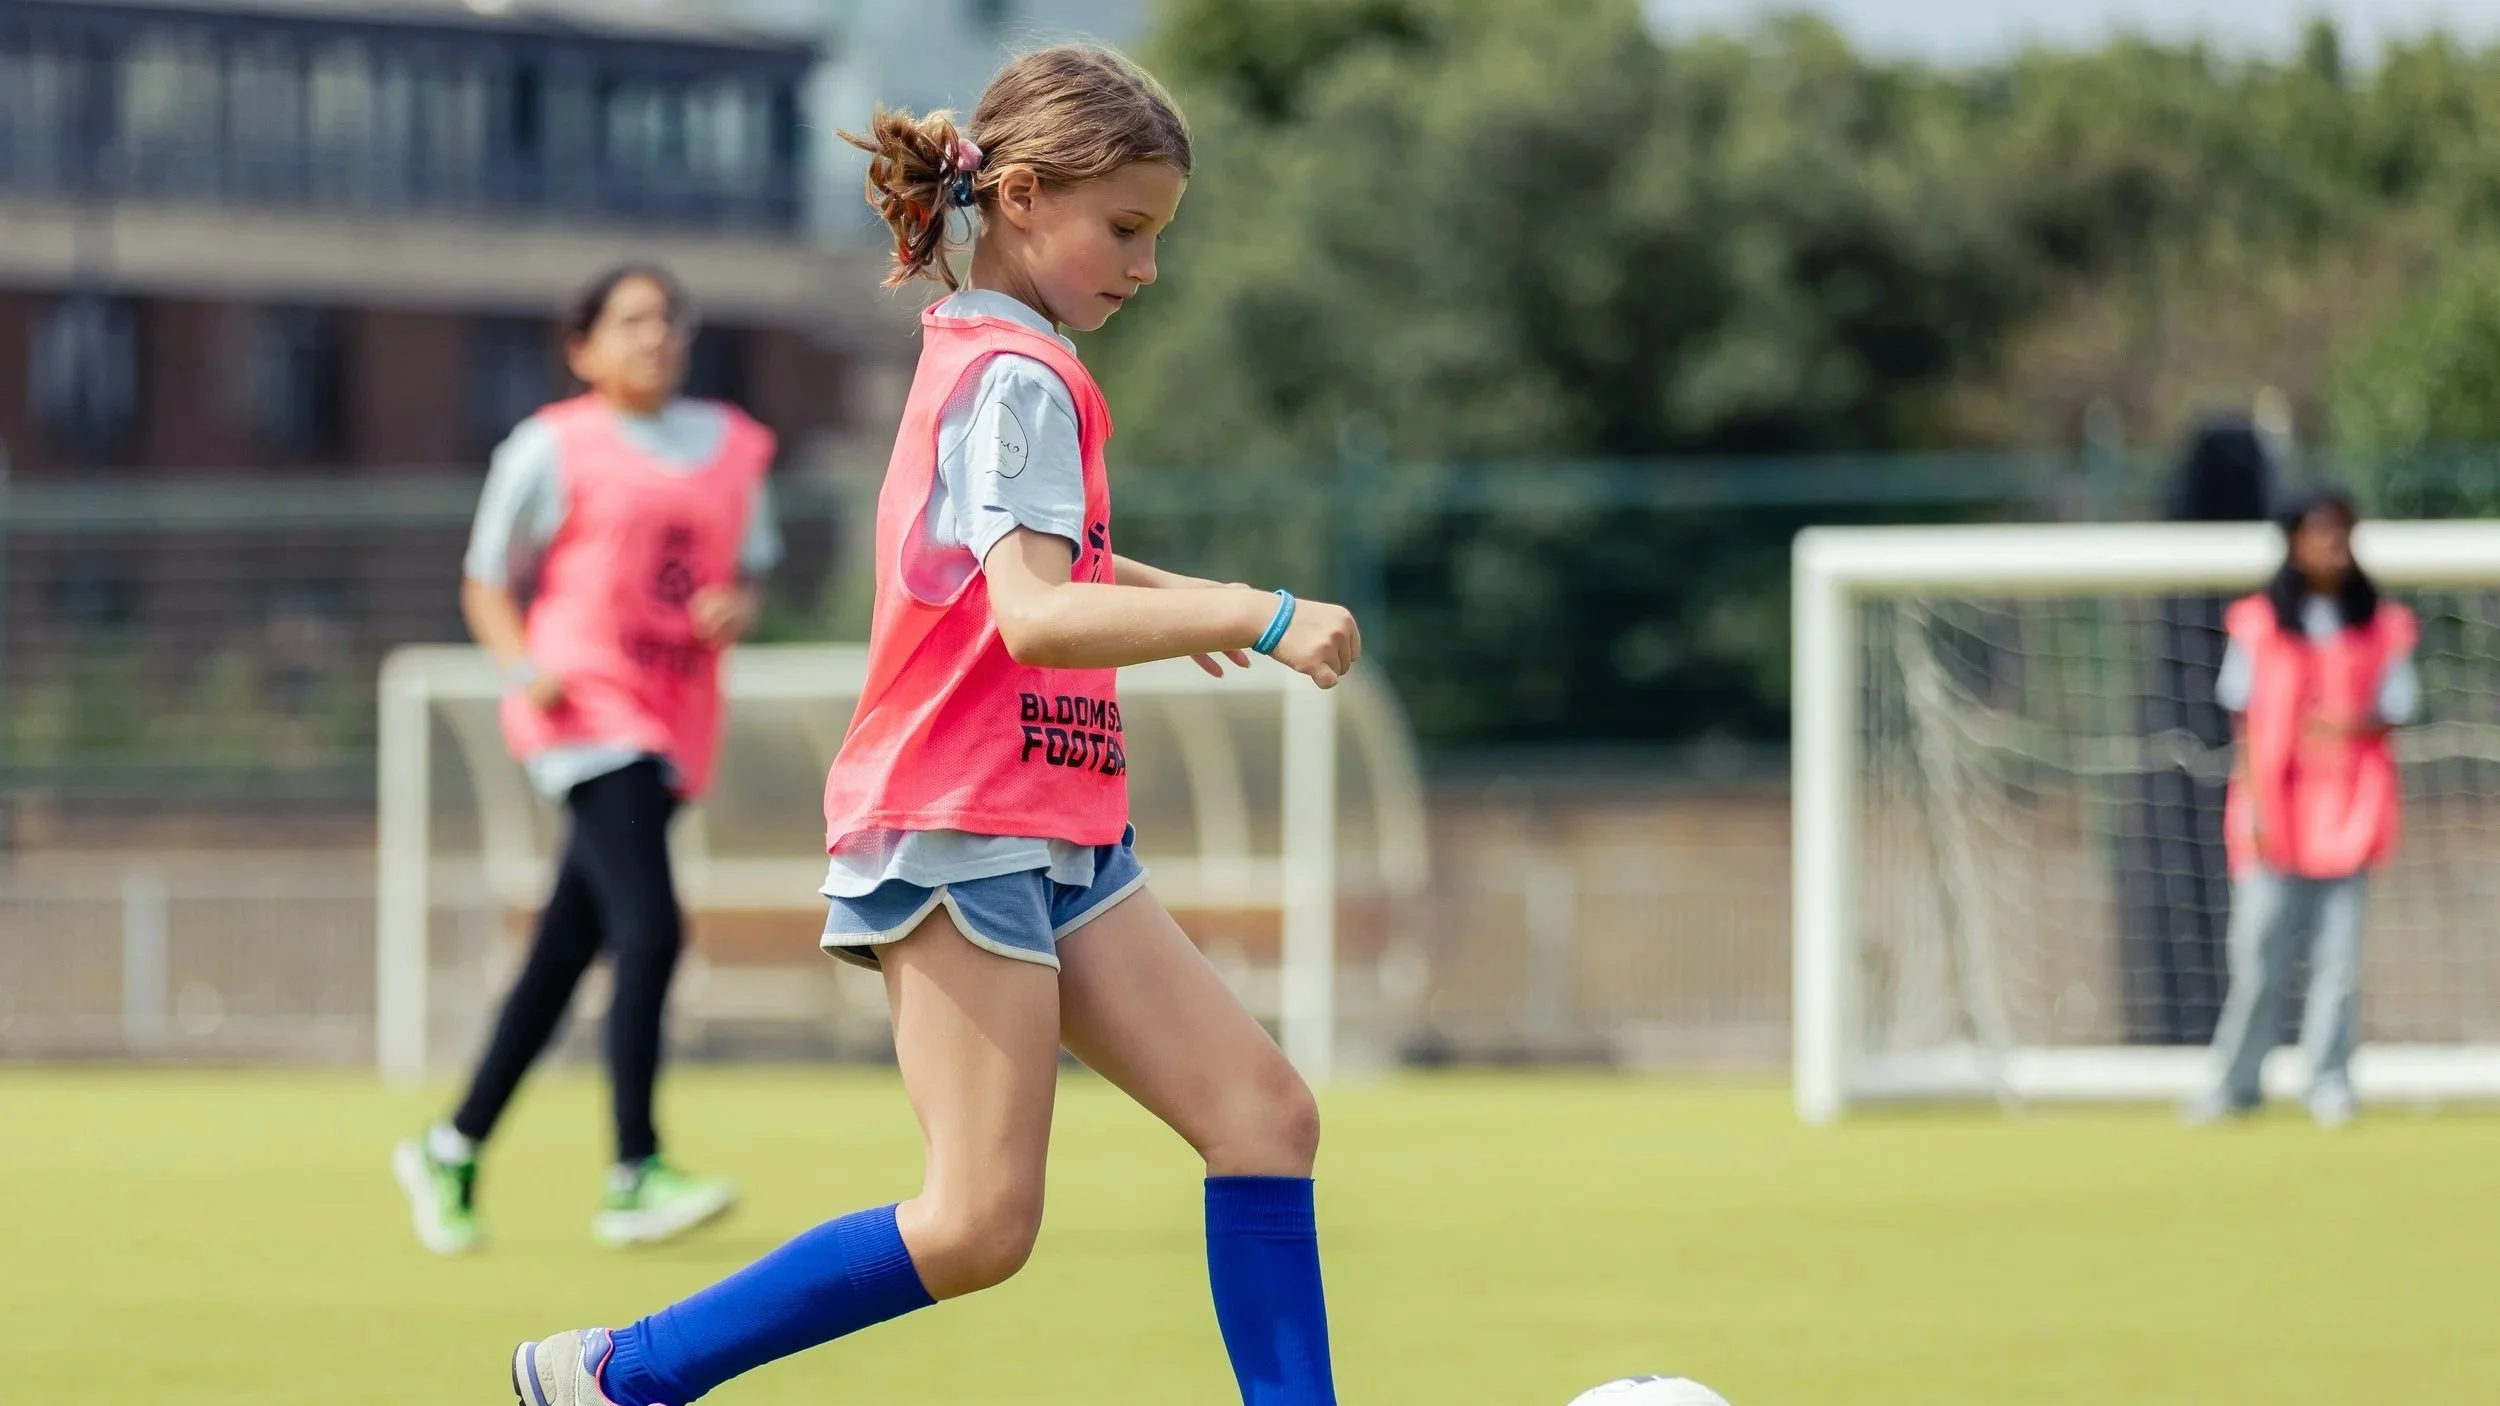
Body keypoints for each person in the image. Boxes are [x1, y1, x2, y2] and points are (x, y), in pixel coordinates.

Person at [506, 44, 1362, 1406]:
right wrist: (1255, 614)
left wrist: (1180, 604)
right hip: (960, 825)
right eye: (1125, 228)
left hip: (1055, 821)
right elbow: (1032, 611)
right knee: (975, 1223)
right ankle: (624, 1372)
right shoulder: (1015, 372)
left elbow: (1028, 563)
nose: (1146, 265)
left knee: (1263, 1116)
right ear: (1021, 197)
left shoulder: (999, 352)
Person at [393, 264, 780, 1253]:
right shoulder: (550, 445)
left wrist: (736, 607)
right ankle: (633, 1170)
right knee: (651, 928)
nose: (657, 336)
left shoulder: (734, 444)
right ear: (583, 347)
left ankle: (451, 1143)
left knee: (565, 950)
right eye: (632, 320)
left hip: (677, 710)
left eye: (669, 319)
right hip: (586, 707)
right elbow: (487, 579)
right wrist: (522, 668)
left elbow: (751, 569)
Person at [2188, 489, 2417, 1129]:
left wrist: (2349, 725)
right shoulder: (2258, 622)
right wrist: (2256, 806)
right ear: (2295, 541)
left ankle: (2329, 1082)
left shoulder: (2381, 623)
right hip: (2274, 814)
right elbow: (2244, 720)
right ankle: (2235, 1084)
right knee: (2256, 960)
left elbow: (2397, 706)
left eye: (2342, 531)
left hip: (2350, 810)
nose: (2333, 543)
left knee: (2338, 962)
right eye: (2321, 531)